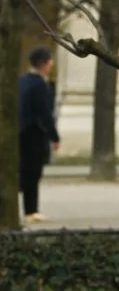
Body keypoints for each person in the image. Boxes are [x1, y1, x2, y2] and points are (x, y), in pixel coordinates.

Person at [18, 46, 60, 224]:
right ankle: (31, 210)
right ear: (43, 63)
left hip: (21, 131)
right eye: (50, 61)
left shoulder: (23, 80)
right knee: (32, 172)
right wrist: (54, 136)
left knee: (23, 171)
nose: (52, 64)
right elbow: (44, 113)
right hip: (33, 133)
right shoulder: (39, 84)